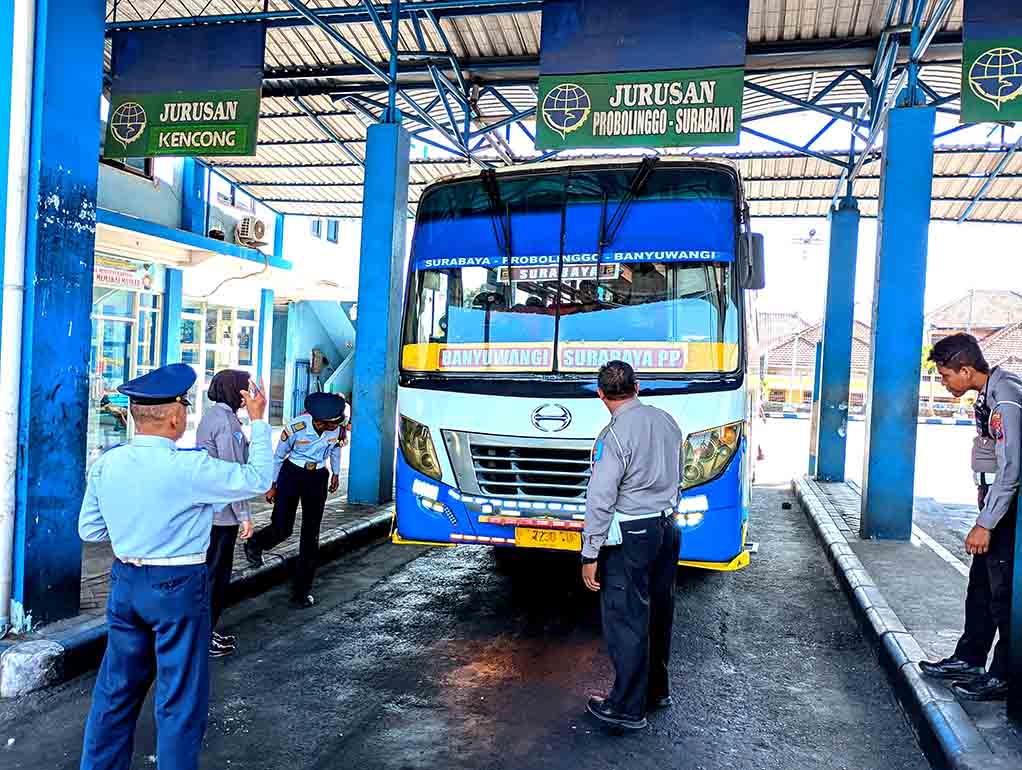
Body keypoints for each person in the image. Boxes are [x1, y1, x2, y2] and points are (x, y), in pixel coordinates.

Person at [78, 363, 272, 770]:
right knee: (180, 698)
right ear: (175, 416)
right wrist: (259, 420)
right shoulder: (190, 468)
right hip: (178, 585)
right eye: (184, 404)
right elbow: (257, 478)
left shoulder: (107, 465)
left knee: (115, 693)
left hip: (126, 582)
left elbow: (91, 531)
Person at [581, 360, 684, 730]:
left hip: (631, 536)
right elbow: (680, 472)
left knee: (627, 618)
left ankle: (626, 707)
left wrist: (590, 553)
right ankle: (656, 691)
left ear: (601, 394)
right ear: (637, 387)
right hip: (667, 527)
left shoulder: (614, 435)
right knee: (659, 611)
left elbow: (601, 497)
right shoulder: (667, 421)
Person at [918, 333, 1021, 701]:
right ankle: (969, 659)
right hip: (995, 505)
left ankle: (1004, 675)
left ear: (965, 369)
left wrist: (986, 523)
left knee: (1005, 594)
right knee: (981, 587)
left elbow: (1012, 469)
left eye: (946, 376)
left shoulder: (1005, 398)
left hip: (1008, 513)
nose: (944, 383)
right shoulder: (989, 393)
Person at [244, 391, 348, 608]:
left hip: (318, 478)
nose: (338, 425)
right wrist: (272, 485)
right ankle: (256, 543)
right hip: (292, 475)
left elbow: (336, 450)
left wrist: (336, 473)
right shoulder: (295, 427)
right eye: (333, 422)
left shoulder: (335, 429)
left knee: (311, 537)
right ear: (319, 421)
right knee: (283, 527)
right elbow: (278, 457)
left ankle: (301, 591)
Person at [196, 369, 254, 659]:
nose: (248, 394)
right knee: (216, 578)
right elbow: (233, 473)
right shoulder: (227, 422)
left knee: (210, 575)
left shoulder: (212, 416)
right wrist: (244, 515)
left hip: (212, 510)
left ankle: (204, 632)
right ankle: (203, 636)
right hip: (223, 515)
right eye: (245, 388)